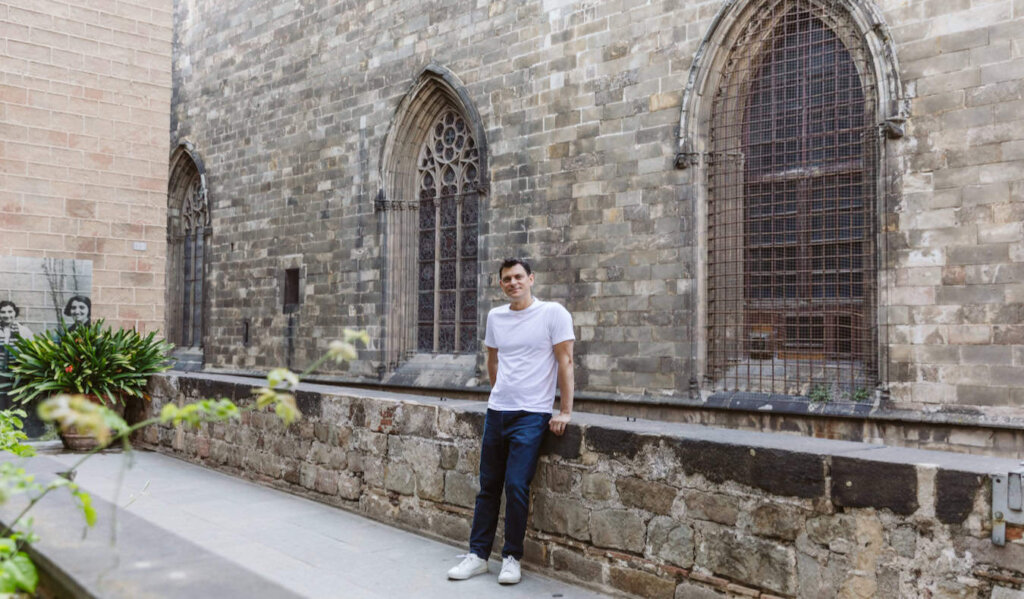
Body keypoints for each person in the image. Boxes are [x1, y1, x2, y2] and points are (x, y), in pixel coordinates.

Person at [447, 257, 575, 585]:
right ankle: (477, 555)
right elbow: (494, 360)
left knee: (517, 485)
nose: (513, 283)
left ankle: (511, 557)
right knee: (488, 486)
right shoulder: (496, 317)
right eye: (507, 279)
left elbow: (566, 361)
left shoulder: (553, 314)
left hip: (532, 415)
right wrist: (500, 392)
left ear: (531, 279)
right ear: (500, 284)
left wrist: (565, 411)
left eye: (519, 277)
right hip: (497, 411)